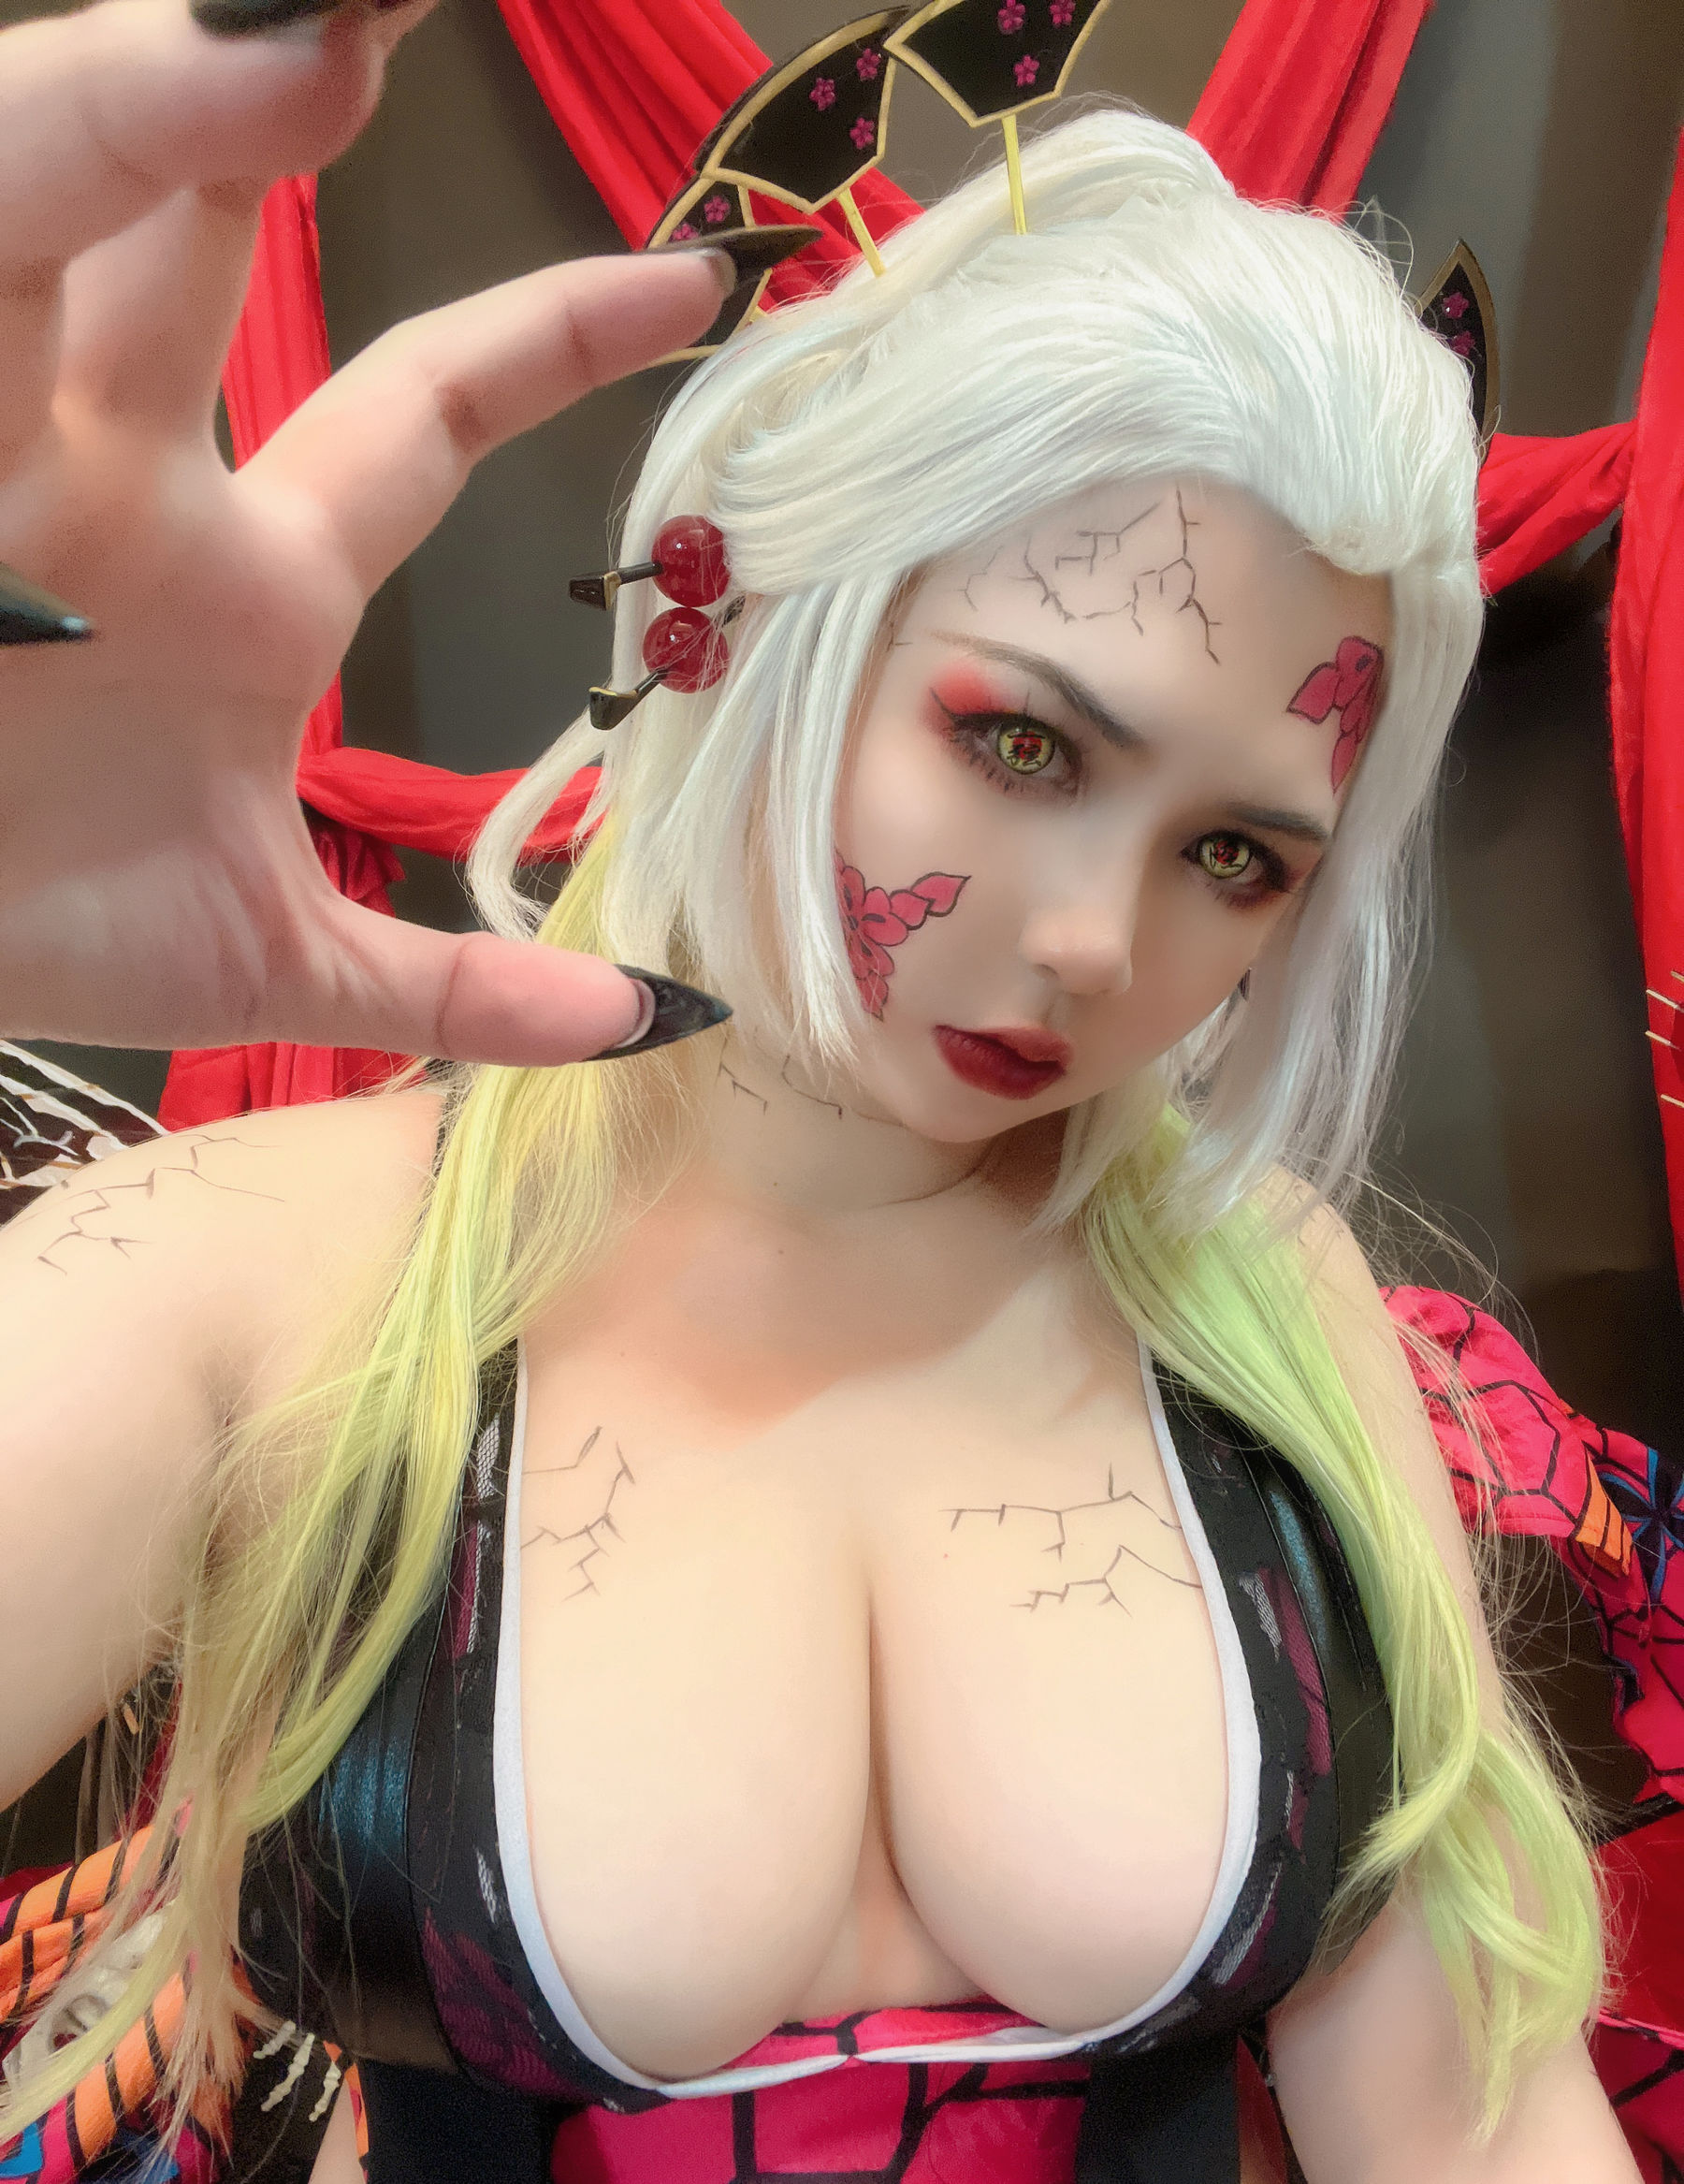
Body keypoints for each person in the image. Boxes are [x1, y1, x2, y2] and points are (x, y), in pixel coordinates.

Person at [0, 1, 1645, 2178]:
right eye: (1022, 741)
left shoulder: (1263, 1303)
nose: (1094, 941)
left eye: (1237, 856)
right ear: (752, 611)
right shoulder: (234, 1289)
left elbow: (1468, 2131)